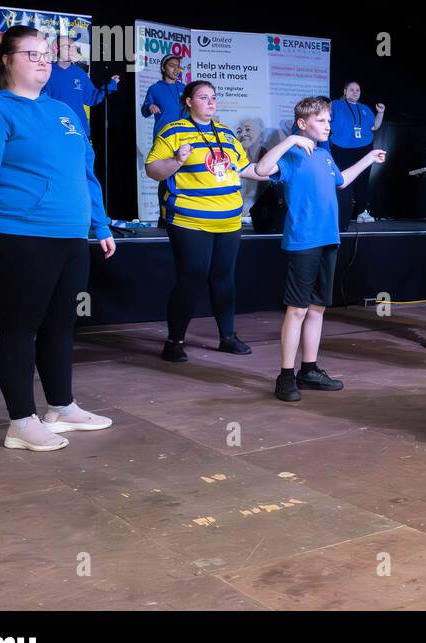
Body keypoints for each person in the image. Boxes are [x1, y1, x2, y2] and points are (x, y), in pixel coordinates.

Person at [0, 26, 117, 452]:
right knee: (20, 329)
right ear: (7, 60)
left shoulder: (63, 111)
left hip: (70, 237)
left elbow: (87, 175)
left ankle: (61, 407)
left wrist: (99, 225)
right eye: (32, 53)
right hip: (20, 237)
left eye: (46, 54)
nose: (43, 60)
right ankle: (21, 422)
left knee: (61, 327)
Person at [251, 97, 386, 402]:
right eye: (322, 121)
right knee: (297, 308)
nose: (328, 126)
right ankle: (285, 376)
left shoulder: (324, 155)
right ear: (302, 124)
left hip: (329, 239)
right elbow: (262, 167)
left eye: (328, 120)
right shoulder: (293, 155)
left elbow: (341, 182)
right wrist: (291, 141)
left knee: (317, 308)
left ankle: (308, 370)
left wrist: (367, 158)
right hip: (303, 241)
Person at [144, 80, 270, 361]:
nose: (211, 102)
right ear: (188, 102)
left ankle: (227, 337)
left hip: (229, 220)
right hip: (190, 220)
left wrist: (278, 170)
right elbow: (153, 170)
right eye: (204, 97)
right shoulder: (173, 131)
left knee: (224, 278)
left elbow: (247, 168)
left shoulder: (225, 133)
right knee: (191, 278)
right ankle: (175, 341)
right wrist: (176, 160)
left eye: (213, 97)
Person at [329, 81, 385, 226]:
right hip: (341, 147)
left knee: (363, 180)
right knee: (341, 180)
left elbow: (375, 126)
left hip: (364, 148)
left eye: (357, 90)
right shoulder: (335, 105)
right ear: (345, 91)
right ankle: (339, 212)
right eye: (352, 89)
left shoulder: (365, 108)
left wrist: (380, 112)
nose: (355, 92)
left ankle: (362, 212)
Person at [141, 54, 187, 224]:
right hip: (164, 139)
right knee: (165, 177)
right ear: (163, 68)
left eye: (178, 66)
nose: (176, 69)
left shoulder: (184, 88)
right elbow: (145, 110)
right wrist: (150, 106)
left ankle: (182, 215)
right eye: (172, 66)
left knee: (183, 175)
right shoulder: (155, 89)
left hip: (184, 139)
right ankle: (164, 216)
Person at [43, 32, 120, 132]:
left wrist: (110, 85)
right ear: (55, 48)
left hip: (79, 129)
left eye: (74, 48)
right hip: (55, 128)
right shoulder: (47, 72)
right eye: (68, 47)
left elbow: (91, 98)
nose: (72, 51)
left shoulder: (80, 73)